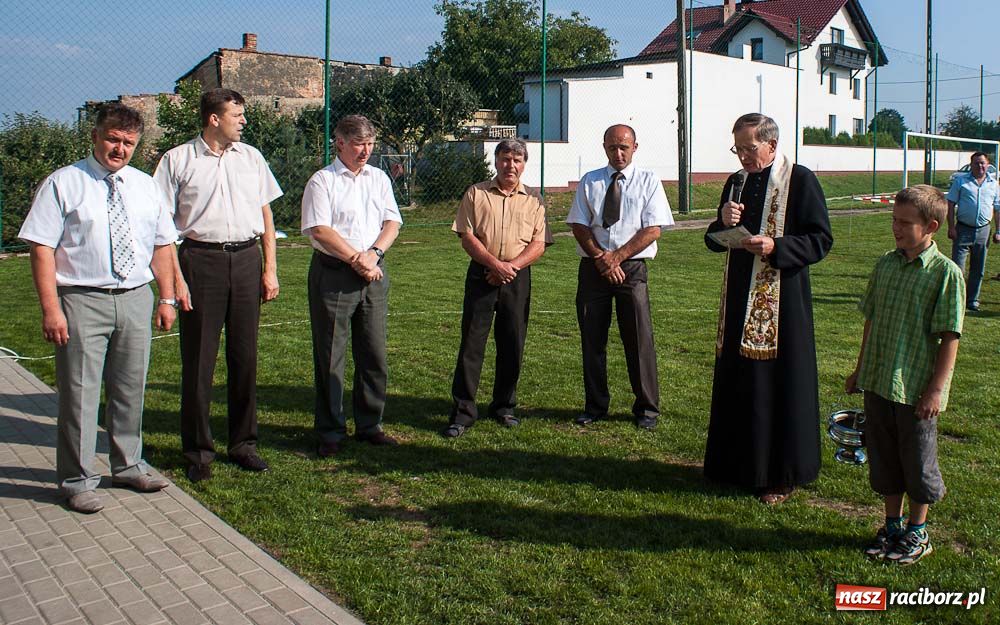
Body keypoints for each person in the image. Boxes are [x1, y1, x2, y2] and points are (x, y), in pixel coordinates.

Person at [19, 103, 177, 513]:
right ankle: (76, 479)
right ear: (95, 136)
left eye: (128, 142)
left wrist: (167, 297)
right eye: (112, 138)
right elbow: (41, 249)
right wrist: (51, 309)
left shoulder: (146, 186)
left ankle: (128, 465)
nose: (119, 148)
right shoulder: (65, 183)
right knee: (81, 394)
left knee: (129, 388)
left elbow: (162, 245)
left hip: (135, 297)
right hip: (81, 299)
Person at [154, 88, 283, 482]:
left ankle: (244, 444)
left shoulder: (252, 158)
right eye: (237, 115)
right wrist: (175, 279)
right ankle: (198, 452)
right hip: (200, 262)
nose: (243, 121)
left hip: (246, 260)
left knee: (245, 359)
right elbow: (160, 226)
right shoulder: (177, 160)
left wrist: (270, 268)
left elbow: (266, 214)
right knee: (199, 362)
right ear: (214, 118)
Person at [704, 113, 832, 504]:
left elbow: (820, 239)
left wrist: (777, 247)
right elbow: (715, 240)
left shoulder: (801, 179)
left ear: (772, 146)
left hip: (782, 297)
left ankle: (780, 473)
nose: (742, 156)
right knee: (741, 380)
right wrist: (721, 222)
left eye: (749, 148)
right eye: (737, 148)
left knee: (776, 384)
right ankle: (735, 465)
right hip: (741, 292)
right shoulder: (736, 181)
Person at [846, 185, 964, 565]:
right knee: (884, 460)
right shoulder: (885, 263)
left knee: (917, 462)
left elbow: (950, 337)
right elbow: (870, 319)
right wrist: (860, 368)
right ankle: (892, 526)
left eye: (905, 222)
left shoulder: (945, 274)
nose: (895, 228)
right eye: (893, 220)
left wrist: (935, 390)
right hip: (880, 381)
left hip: (915, 389)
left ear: (931, 226)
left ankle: (918, 532)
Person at [302, 115, 402, 456]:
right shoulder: (322, 181)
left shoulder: (379, 179)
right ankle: (330, 430)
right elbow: (321, 230)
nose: (366, 151)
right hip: (334, 275)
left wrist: (373, 254)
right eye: (359, 144)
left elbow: (392, 222)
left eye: (370, 144)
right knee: (331, 354)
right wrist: (356, 260)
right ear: (340, 142)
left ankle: (370, 424)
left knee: (373, 352)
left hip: (373, 272)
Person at [566, 124, 673, 430]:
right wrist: (602, 258)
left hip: (632, 269)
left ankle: (646, 409)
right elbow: (579, 224)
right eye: (612, 147)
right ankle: (595, 406)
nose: (619, 153)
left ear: (635, 147)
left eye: (624, 147)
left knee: (639, 339)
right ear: (605, 148)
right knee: (592, 339)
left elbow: (653, 229)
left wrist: (617, 258)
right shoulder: (591, 181)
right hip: (593, 269)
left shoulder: (648, 181)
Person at [442, 139, 549, 438]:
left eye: (516, 160)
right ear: (496, 161)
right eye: (504, 159)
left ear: (524, 164)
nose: (510, 166)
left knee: (512, 343)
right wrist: (493, 264)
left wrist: (509, 268)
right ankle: (463, 412)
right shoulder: (476, 193)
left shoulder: (535, 200)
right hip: (482, 276)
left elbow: (539, 244)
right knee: (471, 345)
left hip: (516, 277)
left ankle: (504, 406)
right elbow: (466, 235)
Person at [945, 151, 1000, 311]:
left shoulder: (993, 184)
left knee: (978, 269)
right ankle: (956, 300)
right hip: (962, 229)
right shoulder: (961, 181)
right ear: (971, 165)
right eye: (976, 163)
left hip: (984, 231)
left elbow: (997, 208)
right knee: (958, 269)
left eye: (983, 163)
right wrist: (951, 227)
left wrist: (998, 231)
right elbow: (950, 204)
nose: (980, 166)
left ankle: (972, 300)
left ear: (987, 165)